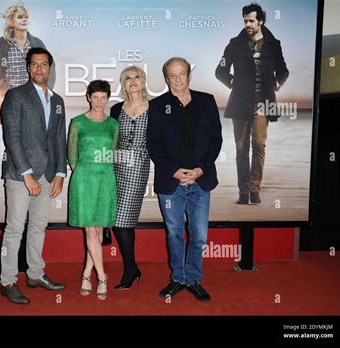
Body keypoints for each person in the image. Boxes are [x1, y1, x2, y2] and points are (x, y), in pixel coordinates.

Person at [147, 57, 222, 301]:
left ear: (189, 76)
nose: (178, 80)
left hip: (202, 180)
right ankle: (178, 279)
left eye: (182, 74)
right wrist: (174, 171)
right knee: (175, 232)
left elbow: (215, 140)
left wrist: (201, 168)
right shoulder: (157, 106)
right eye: (172, 75)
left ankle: (194, 279)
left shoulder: (207, 101)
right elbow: (154, 145)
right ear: (166, 78)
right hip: (171, 183)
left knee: (199, 234)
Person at [0, 47, 66, 305]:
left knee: (39, 226)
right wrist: (27, 174)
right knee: (15, 229)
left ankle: (35, 274)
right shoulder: (16, 96)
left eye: (44, 64)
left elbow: (59, 139)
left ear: (50, 68)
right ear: (28, 68)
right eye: (34, 64)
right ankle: (7, 281)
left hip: (48, 174)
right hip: (20, 175)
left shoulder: (58, 101)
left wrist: (60, 172)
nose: (39, 69)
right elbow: (12, 136)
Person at [215, 3, 289, 205]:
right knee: (241, 150)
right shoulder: (234, 44)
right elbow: (220, 71)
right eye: (245, 20)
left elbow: (283, 71)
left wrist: (276, 83)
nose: (247, 24)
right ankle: (243, 192)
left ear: (261, 21)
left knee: (259, 146)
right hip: (240, 104)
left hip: (263, 104)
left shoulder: (273, 45)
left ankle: (255, 190)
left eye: (251, 20)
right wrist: (234, 84)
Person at [68, 80, 119, 300]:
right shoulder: (77, 122)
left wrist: (103, 171)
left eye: (103, 97)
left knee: (97, 233)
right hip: (84, 178)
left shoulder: (113, 124)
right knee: (90, 232)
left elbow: (113, 152)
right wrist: (82, 174)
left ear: (108, 98)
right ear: (88, 97)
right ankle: (103, 276)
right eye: (95, 97)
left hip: (105, 178)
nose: (99, 102)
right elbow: (71, 155)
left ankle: (86, 274)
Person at [110, 66, 150, 290]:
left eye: (136, 77)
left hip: (139, 166)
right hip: (116, 166)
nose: (132, 81)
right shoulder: (116, 109)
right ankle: (131, 267)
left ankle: (131, 268)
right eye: (128, 78)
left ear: (143, 82)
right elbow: (111, 140)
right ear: (123, 84)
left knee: (121, 220)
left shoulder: (154, 108)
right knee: (118, 219)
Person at [0, 3, 56, 124]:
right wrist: (4, 90)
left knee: (34, 138)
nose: (24, 19)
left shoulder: (37, 43)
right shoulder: (1, 44)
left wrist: (43, 91)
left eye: (26, 17)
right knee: (13, 138)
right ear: (11, 22)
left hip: (33, 100)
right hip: (9, 100)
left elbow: (51, 67)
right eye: (20, 17)